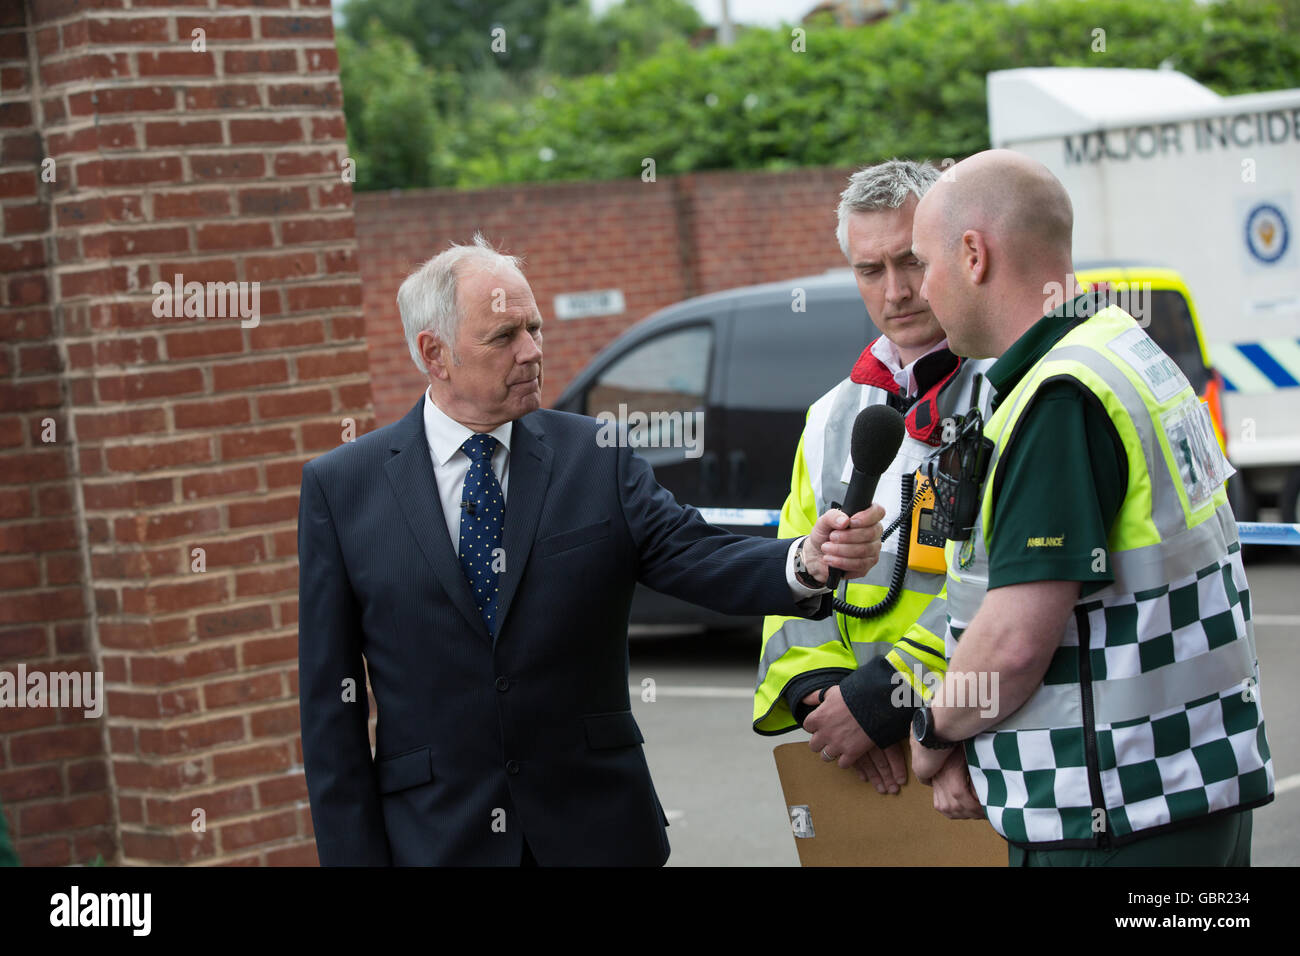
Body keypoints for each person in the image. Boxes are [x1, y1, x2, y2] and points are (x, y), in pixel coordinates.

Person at [297, 234, 886, 866]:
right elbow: (331, 708)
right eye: (503, 337)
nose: (531, 353)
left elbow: (691, 552)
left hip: (598, 832)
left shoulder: (595, 454)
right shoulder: (343, 487)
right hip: (436, 841)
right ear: (433, 353)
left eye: (535, 329)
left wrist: (805, 560)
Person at [907, 149, 1274, 865]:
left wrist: (933, 733)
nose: (920, 288)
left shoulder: (1059, 399)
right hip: (1194, 795)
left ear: (974, 254)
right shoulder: (1123, 351)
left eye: (924, 263)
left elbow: (1013, 644)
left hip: (1108, 822)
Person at [753, 159, 990, 818]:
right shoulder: (830, 416)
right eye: (870, 270)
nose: (896, 291)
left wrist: (890, 702)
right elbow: (794, 576)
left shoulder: (1014, 394)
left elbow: (1014, 589)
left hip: (978, 744)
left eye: (911, 260)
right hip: (862, 757)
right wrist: (826, 698)